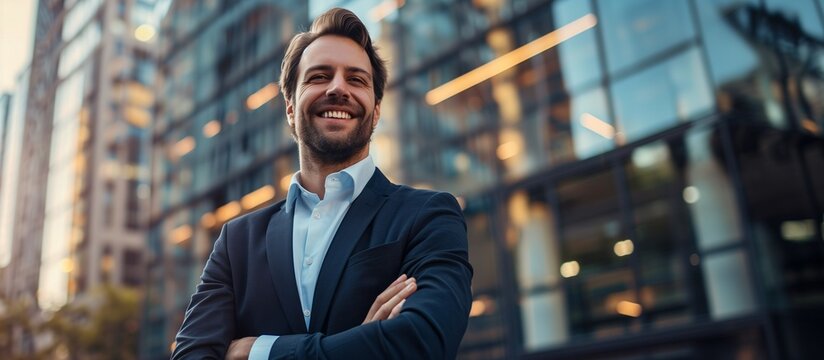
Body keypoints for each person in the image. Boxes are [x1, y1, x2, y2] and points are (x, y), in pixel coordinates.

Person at [171, 7, 473, 360]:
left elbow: (424, 342)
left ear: (375, 110)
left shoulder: (428, 216)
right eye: (319, 76)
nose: (338, 88)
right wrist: (364, 341)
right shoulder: (236, 242)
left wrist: (260, 351)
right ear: (289, 107)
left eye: (356, 80)